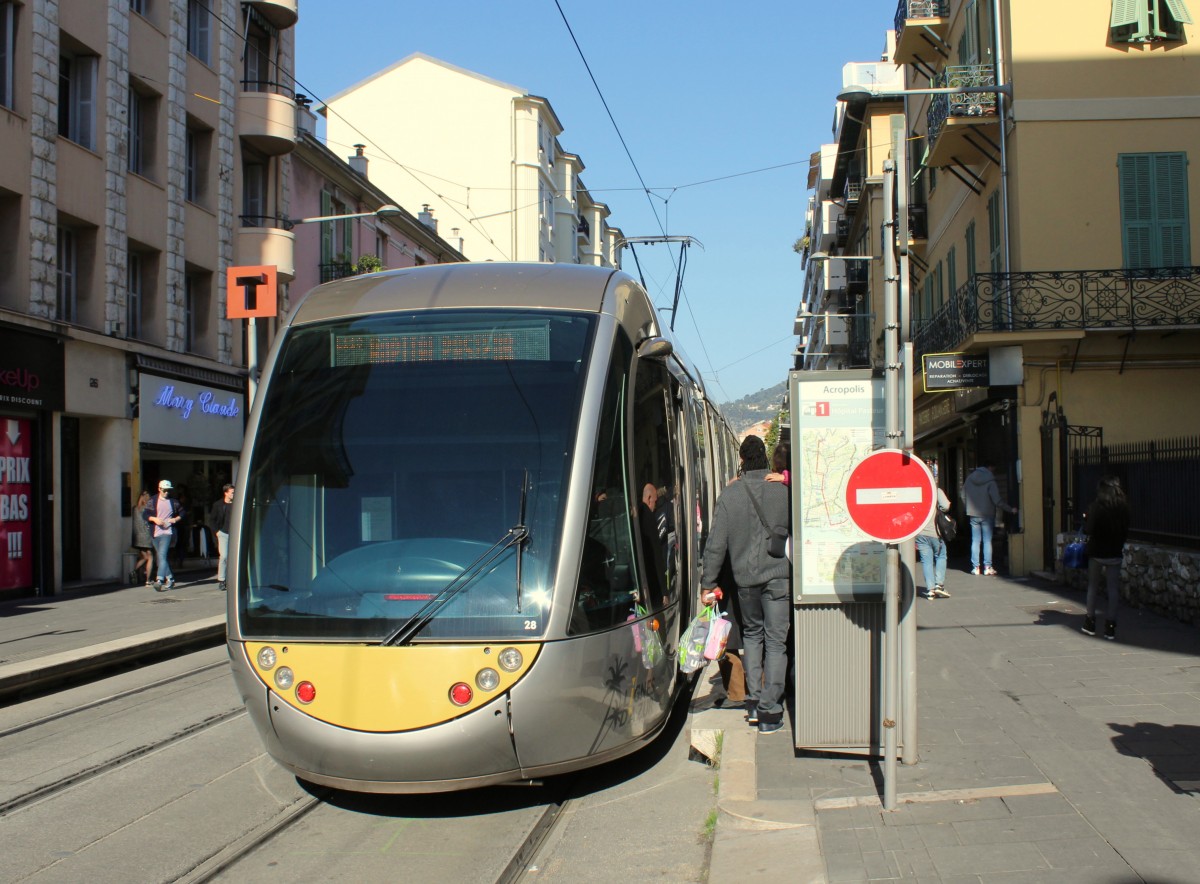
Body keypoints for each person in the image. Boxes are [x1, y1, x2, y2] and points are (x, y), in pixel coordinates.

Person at [700, 435, 791, 735]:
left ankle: (753, 703)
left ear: (741, 460)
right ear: (764, 458)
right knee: (776, 643)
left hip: (746, 583)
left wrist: (707, 584)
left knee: (752, 637)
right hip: (778, 577)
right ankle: (769, 712)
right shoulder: (782, 490)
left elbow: (716, 545)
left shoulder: (730, 494)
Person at [1081, 475, 1131, 641]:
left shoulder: (1096, 506)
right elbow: (1126, 529)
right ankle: (1110, 627)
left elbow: (1088, 529)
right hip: (1115, 552)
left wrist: (1086, 519)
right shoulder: (1123, 507)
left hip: (1097, 552)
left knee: (1093, 587)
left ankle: (1090, 622)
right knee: (1113, 589)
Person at [962, 461, 1018, 576]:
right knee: (987, 541)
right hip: (987, 514)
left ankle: (975, 567)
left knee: (975, 541)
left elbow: (962, 494)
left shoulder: (969, 479)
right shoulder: (991, 481)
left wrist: (968, 507)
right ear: (990, 467)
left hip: (973, 514)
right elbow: (997, 500)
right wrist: (1010, 509)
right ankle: (987, 567)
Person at [915, 459, 952, 599]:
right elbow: (946, 506)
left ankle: (930, 589)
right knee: (941, 556)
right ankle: (939, 585)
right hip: (936, 532)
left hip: (920, 532)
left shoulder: (915, 491)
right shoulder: (936, 491)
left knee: (926, 560)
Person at [145, 479, 182, 591]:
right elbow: (145, 514)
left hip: (167, 532)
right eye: (164, 490)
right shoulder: (153, 500)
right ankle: (170, 579)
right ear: (159, 489)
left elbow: (182, 512)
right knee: (161, 556)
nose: (166, 492)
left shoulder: (173, 502)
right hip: (155, 532)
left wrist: (175, 519)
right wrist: (154, 519)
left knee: (162, 555)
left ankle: (159, 579)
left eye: (168, 490)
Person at [208, 484, 235, 592]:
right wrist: (217, 532)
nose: (234, 494)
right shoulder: (218, 505)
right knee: (224, 556)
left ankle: (233, 579)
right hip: (223, 533)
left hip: (234, 534)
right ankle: (222, 580)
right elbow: (212, 520)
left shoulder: (237, 504)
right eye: (232, 492)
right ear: (226, 493)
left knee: (233, 558)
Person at [131, 490, 155, 586]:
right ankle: (148, 580)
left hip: (137, 537)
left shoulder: (135, 509)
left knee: (145, 557)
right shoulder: (148, 509)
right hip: (146, 536)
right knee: (150, 557)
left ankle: (133, 571)